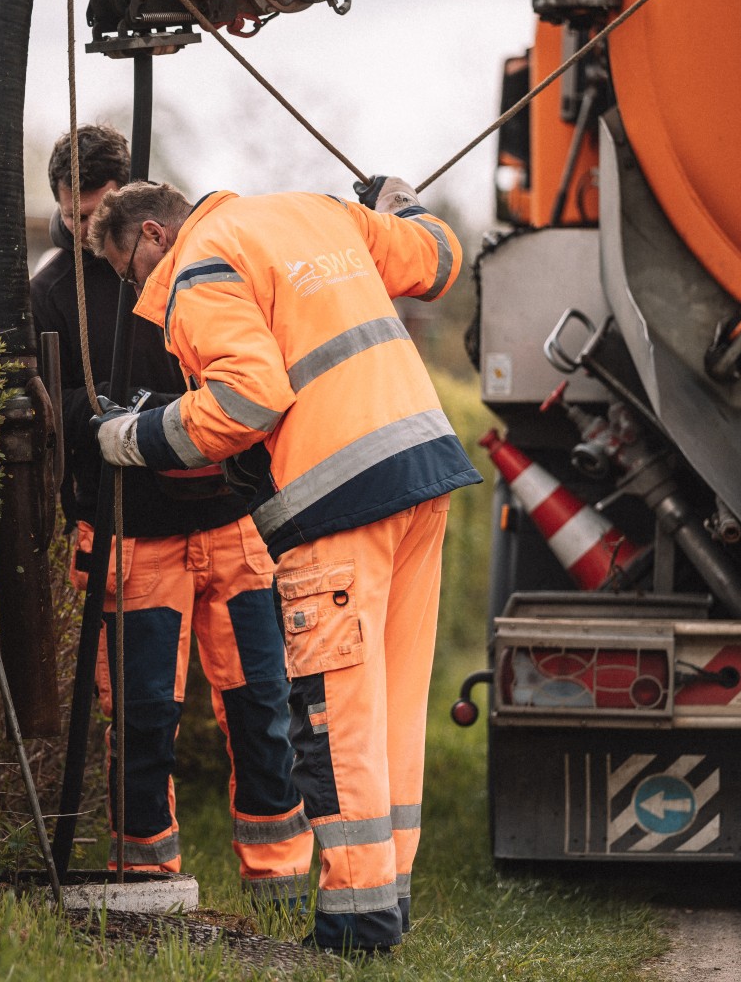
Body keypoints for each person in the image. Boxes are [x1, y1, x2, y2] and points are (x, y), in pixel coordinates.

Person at [86, 176, 483, 955]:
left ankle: (357, 923)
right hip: (422, 474)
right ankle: (386, 898)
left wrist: (130, 434)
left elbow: (247, 400)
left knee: (337, 716)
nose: (139, 291)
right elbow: (438, 260)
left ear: (154, 236)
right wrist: (398, 204)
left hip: (338, 497)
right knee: (392, 707)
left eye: (130, 271)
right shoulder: (317, 210)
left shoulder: (200, 266)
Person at [30, 125, 312, 904]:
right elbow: (45, 403)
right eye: (75, 215)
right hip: (129, 534)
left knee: (262, 704)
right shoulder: (52, 289)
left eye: (101, 216)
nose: (91, 233)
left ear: (133, 202)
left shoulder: (200, 266)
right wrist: (111, 420)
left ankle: (280, 877)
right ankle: (143, 880)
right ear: (59, 206)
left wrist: (177, 416)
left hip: (230, 524)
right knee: (144, 719)